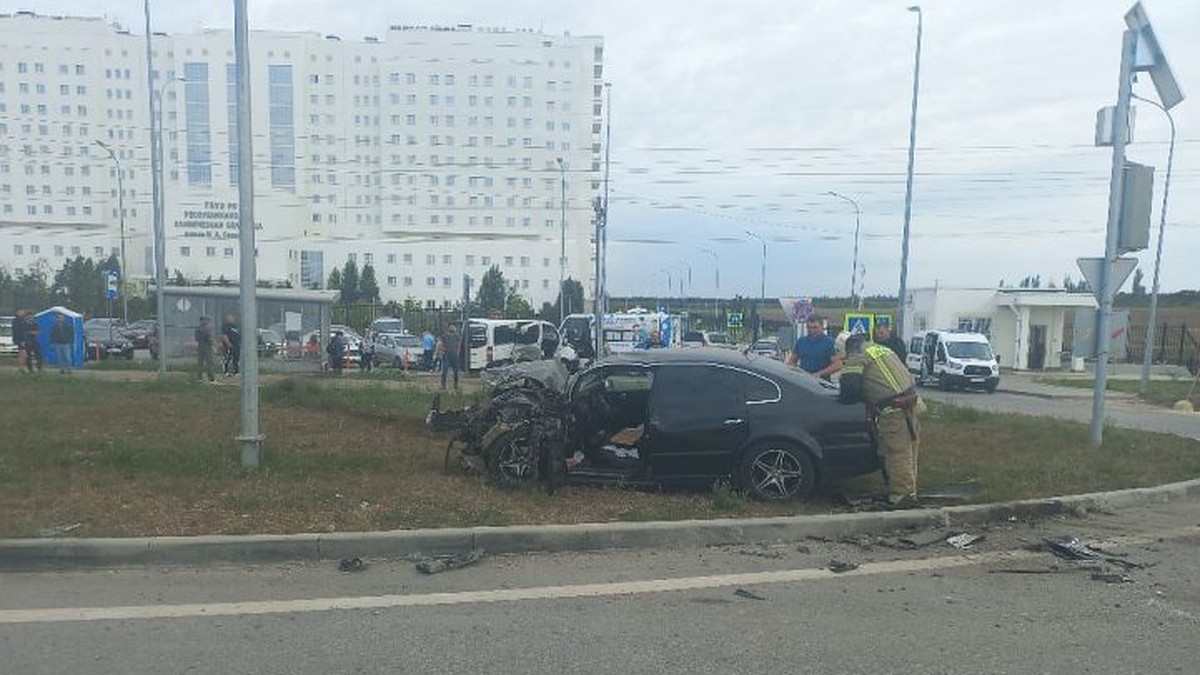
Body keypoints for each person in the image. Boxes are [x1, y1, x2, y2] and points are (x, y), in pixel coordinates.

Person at [838, 332, 924, 508]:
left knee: (896, 454)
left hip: (894, 410)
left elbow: (849, 391)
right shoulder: (879, 349)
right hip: (912, 403)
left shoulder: (857, 356)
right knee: (908, 452)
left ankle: (902, 497)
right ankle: (908, 490)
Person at [440, 323, 462, 389]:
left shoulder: (457, 336)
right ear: (448, 328)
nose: (452, 328)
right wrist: (442, 351)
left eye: (453, 327)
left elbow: (459, 344)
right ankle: (443, 385)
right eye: (450, 327)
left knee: (456, 371)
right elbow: (441, 344)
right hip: (447, 355)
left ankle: (456, 384)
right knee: (445, 370)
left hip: (454, 356)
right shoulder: (444, 336)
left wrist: (458, 352)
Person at [194, 316, 216, 382]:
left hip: (200, 347)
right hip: (207, 348)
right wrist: (213, 346)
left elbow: (196, 339)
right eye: (206, 320)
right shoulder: (207, 329)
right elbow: (210, 339)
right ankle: (211, 378)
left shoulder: (197, 329)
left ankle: (199, 378)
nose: (208, 321)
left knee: (200, 363)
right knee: (209, 363)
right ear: (203, 320)